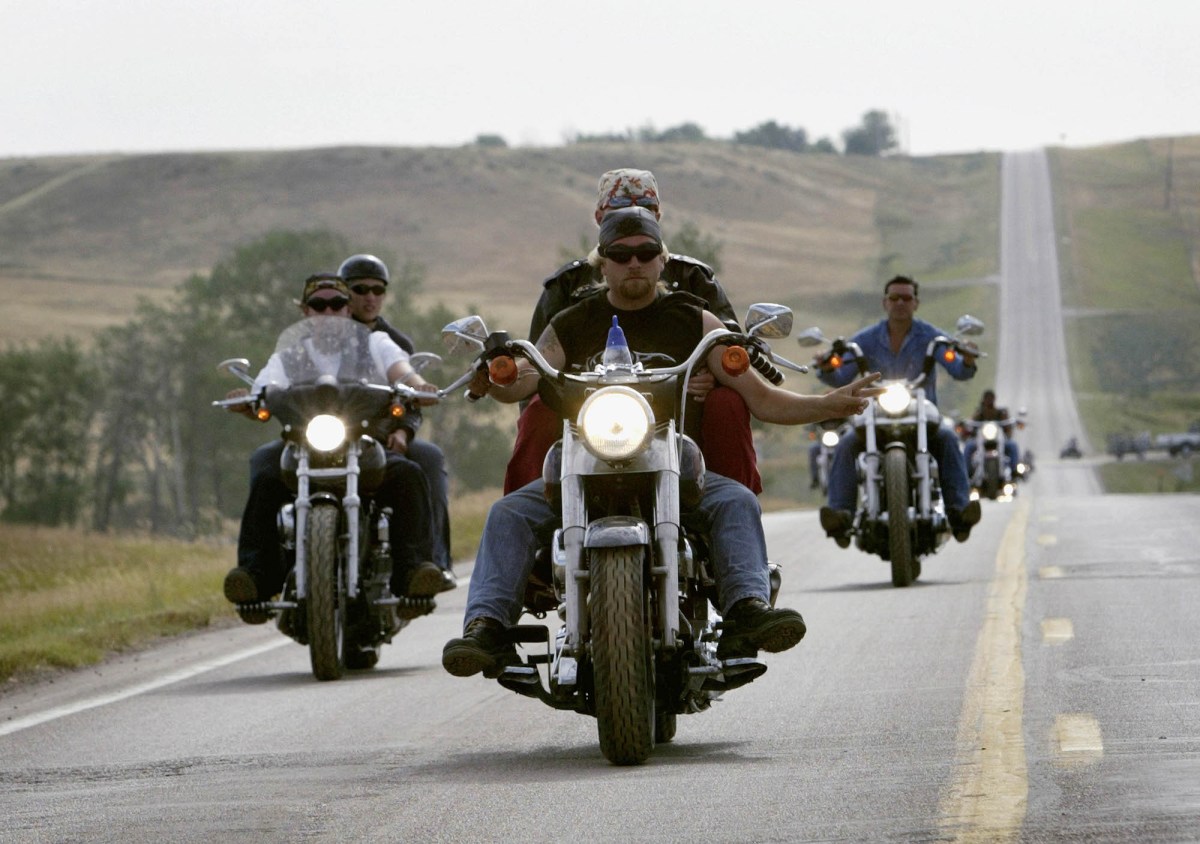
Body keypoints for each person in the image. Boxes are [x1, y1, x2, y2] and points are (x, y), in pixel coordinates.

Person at [441, 207, 883, 678]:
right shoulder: (572, 322)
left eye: (646, 253)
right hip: (584, 463)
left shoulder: (696, 321)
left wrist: (829, 403)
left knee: (734, 499)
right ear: (603, 262)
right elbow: (527, 379)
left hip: (671, 458)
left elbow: (763, 397)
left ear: (661, 259)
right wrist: (498, 374)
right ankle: (486, 629)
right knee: (507, 512)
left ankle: (747, 611)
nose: (634, 263)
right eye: (620, 254)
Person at [504, 168, 761, 495]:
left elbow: (735, 352)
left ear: (659, 217)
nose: (633, 261)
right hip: (586, 414)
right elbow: (535, 366)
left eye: (645, 213)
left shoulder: (694, 277)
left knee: (728, 402)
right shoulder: (567, 285)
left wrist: (714, 373)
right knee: (538, 409)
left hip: (683, 410)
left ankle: (733, 504)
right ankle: (531, 506)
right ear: (599, 218)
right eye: (619, 254)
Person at [222, 273, 444, 622]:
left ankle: (415, 572)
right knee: (265, 474)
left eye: (337, 304)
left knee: (409, 475)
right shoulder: (289, 355)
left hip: (362, 443)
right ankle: (255, 579)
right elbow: (266, 386)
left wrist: (418, 385)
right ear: (305, 311)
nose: (328, 311)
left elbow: (402, 372)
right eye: (319, 304)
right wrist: (250, 399)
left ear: (347, 310)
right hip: (304, 446)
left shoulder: (375, 343)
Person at [815, 275, 983, 545]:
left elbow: (959, 370)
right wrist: (826, 366)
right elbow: (840, 375)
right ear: (885, 302)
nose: (900, 303)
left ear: (916, 303)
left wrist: (967, 358)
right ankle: (841, 515)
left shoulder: (932, 337)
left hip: (921, 415)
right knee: (846, 443)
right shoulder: (865, 339)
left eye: (906, 298)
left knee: (949, 438)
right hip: (875, 417)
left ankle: (959, 513)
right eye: (894, 298)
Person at [339, 253, 456, 592]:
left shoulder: (393, 342)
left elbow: (409, 390)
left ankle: (432, 562)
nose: (370, 297)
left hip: (382, 434)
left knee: (429, 459)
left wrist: (404, 429)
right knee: (267, 462)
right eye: (360, 289)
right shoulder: (319, 341)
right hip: (329, 435)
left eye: (378, 289)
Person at [962, 389, 1023, 475]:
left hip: (999, 440)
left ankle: (1014, 471)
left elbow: (1007, 425)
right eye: (987, 398)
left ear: (994, 399)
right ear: (983, 399)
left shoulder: (1000, 412)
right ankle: (965, 473)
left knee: (1013, 445)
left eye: (991, 398)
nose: (989, 401)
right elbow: (971, 422)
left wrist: (1009, 424)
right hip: (980, 440)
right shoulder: (979, 412)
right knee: (968, 447)